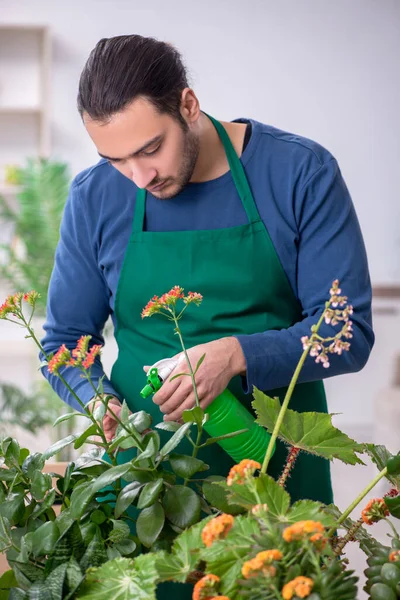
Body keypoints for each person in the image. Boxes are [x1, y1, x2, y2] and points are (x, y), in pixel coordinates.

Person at [41, 34, 374, 596]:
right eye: (115, 159)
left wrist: (238, 354)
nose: (138, 176)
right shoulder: (96, 196)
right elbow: (64, 343)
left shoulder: (298, 173)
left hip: (277, 477)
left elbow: (346, 331)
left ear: (188, 106)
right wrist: (99, 403)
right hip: (147, 490)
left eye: (150, 149)